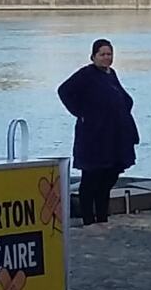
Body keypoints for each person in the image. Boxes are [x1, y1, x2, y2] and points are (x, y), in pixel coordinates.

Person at [57, 39, 139, 228]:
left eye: (109, 54)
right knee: (91, 178)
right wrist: (81, 112)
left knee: (108, 177)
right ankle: (88, 219)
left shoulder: (111, 74)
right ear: (93, 56)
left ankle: (102, 217)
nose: (106, 58)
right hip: (93, 137)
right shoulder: (86, 74)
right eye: (102, 54)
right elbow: (64, 91)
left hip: (113, 136)